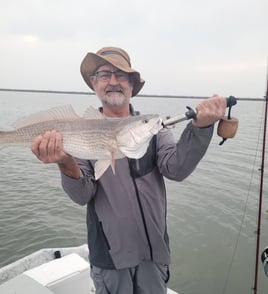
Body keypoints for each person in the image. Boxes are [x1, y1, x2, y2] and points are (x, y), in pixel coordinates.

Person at [31, 46, 226, 294]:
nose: (113, 81)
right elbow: (82, 195)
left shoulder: (154, 128)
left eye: (121, 75)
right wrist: (64, 162)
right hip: (110, 261)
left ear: (132, 85)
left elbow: (176, 168)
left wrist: (200, 128)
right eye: (104, 74)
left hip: (154, 255)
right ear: (94, 84)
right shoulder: (81, 132)